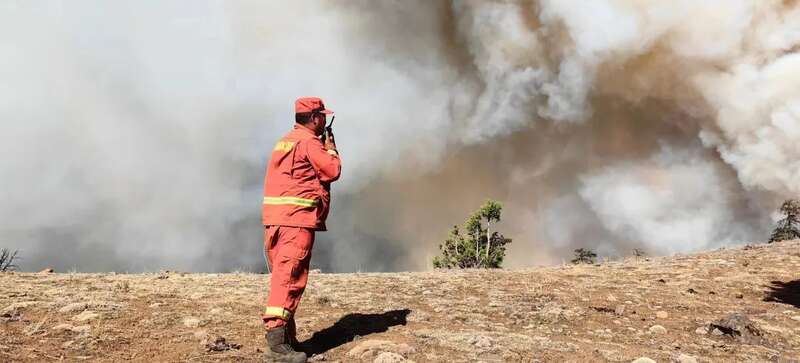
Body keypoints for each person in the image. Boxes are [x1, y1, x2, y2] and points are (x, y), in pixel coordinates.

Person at [261, 97, 340, 362]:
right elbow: (332, 171)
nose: (323, 122)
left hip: (276, 221)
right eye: (322, 117)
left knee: (283, 276)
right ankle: (276, 346)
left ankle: (287, 340)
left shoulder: (285, 141)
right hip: (296, 221)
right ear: (316, 118)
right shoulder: (309, 142)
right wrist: (331, 149)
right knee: (289, 279)